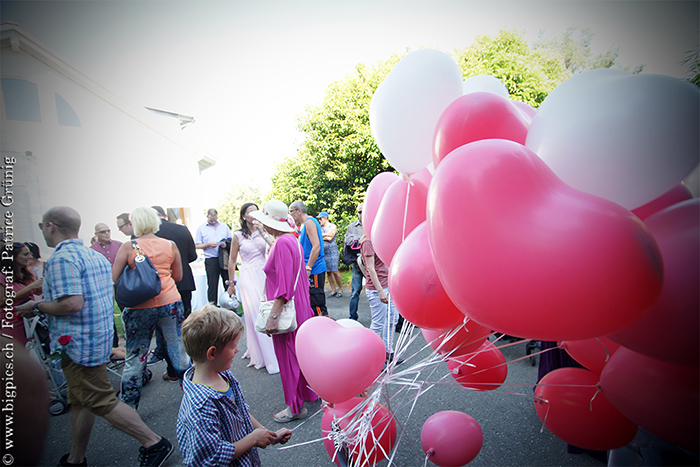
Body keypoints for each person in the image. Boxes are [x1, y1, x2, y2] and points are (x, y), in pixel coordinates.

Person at [16, 206, 174, 467]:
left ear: (51, 226)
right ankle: (76, 458)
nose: (42, 231)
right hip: (96, 338)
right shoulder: (94, 257)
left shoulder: (62, 259)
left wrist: (36, 305)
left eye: (42, 226)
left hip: (78, 343)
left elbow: (71, 304)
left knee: (99, 399)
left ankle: (154, 442)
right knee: (80, 399)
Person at [177, 304, 292, 466]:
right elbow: (212, 457)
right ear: (212, 353)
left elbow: (241, 412)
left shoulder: (224, 375)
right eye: (233, 346)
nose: (238, 350)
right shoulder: (201, 407)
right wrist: (252, 439)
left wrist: (269, 435)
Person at [112, 207, 188, 408]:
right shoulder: (170, 245)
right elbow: (178, 276)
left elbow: (114, 278)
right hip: (170, 302)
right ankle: (191, 396)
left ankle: (128, 408)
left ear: (135, 224)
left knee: (136, 356)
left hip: (139, 307)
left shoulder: (129, 247)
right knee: (178, 350)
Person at [250, 200, 318, 422]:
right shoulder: (292, 240)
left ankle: (295, 407)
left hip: (287, 307)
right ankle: (308, 393)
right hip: (298, 304)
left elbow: (284, 287)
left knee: (288, 357)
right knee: (299, 354)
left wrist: (273, 317)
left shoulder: (282, 243)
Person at [144, 205, 199, 382]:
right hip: (183, 283)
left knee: (165, 331)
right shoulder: (181, 229)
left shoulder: (146, 235)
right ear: (165, 215)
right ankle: (196, 362)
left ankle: (173, 371)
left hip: (160, 287)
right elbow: (192, 256)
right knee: (187, 324)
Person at [226, 202, 279, 374]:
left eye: (256, 210)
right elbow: (232, 261)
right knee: (256, 312)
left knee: (269, 308)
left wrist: (263, 231)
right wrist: (231, 283)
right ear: (243, 216)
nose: (254, 213)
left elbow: (274, 247)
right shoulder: (238, 236)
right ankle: (265, 355)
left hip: (264, 272)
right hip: (248, 275)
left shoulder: (263, 230)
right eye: (250, 211)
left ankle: (275, 348)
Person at [360, 210, 399, 363]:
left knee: (392, 320)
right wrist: (380, 291)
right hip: (377, 290)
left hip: (387, 286)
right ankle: (372, 357)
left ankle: (388, 351)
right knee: (378, 324)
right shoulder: (367, 241)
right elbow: (370, 268)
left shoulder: (379, 237)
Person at [88, 223, 126, 359]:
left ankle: (130, 339)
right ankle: (113, 345)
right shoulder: (91, 250)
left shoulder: (119, 245)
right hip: (103, 285)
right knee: (108, 314)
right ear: (96, 234)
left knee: (127, 311)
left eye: (108, 230)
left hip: (122, 283)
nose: (106, 233)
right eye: (103, 231)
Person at [0, 242, 43, 344]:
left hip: (30, 321)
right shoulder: (2, 276)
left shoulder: (26, 273)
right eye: (25, 254)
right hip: (12, 322)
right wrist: (29, 287)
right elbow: (1, 301)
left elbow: (37, 292)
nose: (30, 256)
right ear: (13, 257)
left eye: (30, 253)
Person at [289, 201, 327, 317]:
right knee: (312, 302)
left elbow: (316, 246)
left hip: (314, 269)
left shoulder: (309, 222)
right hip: (309, 268)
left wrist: (308, 267)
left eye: (291, 212)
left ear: (298, 211)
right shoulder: (304, 224)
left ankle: (323, 330)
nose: (290, 215)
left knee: (317, 304)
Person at [195, 208, 232, 304]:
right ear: (207, 217)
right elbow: (197, 245)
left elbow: (231, 240)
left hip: (224, 257)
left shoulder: (224, 226)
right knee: (212, 285)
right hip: (211, 259)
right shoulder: (201, 229)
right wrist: (208, 245)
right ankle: (213, 307)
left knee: (228, 283)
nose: (213, 222)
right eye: (211, 220)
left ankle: (230, 305)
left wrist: (225, 244)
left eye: (215, 220)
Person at [343, 204, 364, 320]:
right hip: (357, 262)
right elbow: (348, 241)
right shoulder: (352, 226)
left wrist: (358, 241)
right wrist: (361, 241)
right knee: (355, 290)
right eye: (359, 212)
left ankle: (379, 317)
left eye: (362, 211)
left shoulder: (372, 223)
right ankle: (353, 316)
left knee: (376, 292)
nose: (360, 214)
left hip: (371, 263)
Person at [317, 211, 343, 298]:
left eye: (320, 219)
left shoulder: (333, 226)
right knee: (328, 272)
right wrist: (325, 235)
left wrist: (322, 236)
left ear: (325, 218)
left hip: (332, 251)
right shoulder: (319, 228)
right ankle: (333, 290)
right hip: (324, 252)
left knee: (335, 271)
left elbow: (330, 236)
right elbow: (318, 236)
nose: (319, 220)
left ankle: (340, 289)